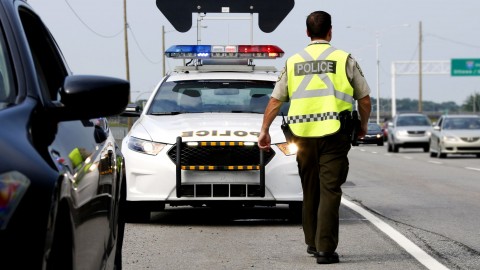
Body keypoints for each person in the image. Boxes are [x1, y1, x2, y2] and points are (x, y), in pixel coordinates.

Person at [258, 11, 371, 264]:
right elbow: (363, 98)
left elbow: (276, 100)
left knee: (310, 189)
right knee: (330, 189)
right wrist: (363, 126)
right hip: (335, 133)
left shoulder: (293, 61)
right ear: (330, 31)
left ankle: (312, 242)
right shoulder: (344, 59)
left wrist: (264, 129)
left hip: (301, 134)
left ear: (307, 33)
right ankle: (325, 249)